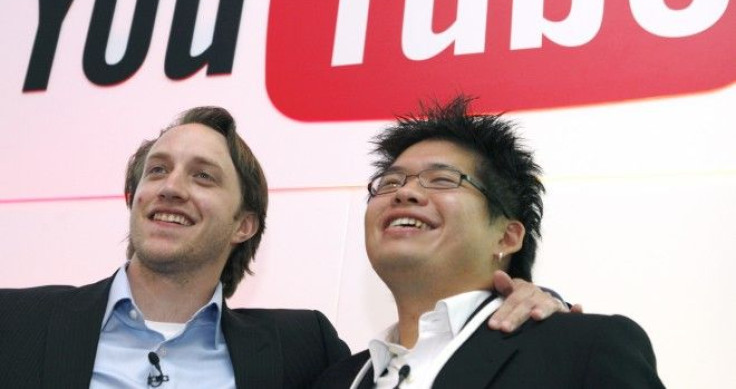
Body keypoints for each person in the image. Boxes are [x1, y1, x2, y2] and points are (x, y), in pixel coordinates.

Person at [0, 106, 567, 388]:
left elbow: (438, 352)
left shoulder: (302, 352)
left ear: (245, 224)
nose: (171, 187)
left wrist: (532, 303)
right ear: (132, 195)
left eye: (203, 176)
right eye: (157, 171)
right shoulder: (15, 323)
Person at [314, 96, 666, 388]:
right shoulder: (335, 379)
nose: (405, 192)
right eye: (389, 182)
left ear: (507, 236)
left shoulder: (582, 349)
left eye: (441, 179)